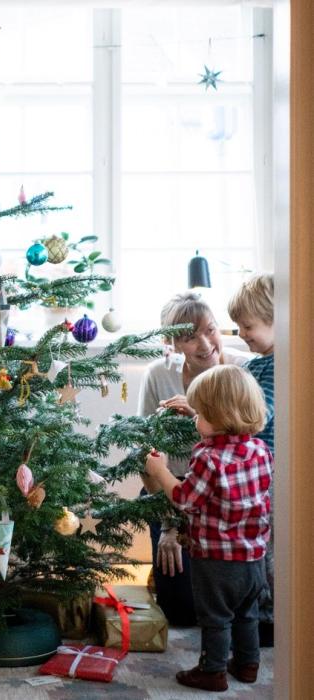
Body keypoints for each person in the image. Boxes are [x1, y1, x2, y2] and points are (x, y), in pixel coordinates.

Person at [144, 364, 272, 692]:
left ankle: (212, 670)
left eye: (199, 414)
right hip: (254, 557)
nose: (195, 419)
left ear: (216, 415)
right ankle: (247, 665)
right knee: (247, 613)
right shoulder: (260, 451)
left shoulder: (208, 458)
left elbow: (185, 499)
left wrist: (160, 471)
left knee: (215, 618)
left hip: (217, 561)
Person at [137, 293, 251, 626]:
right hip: (173, 493)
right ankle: (166, 573)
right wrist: (170, 526)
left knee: (225, 607)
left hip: (225, 501)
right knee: (182, 614)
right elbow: (145, 453)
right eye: (189, 337)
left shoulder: (243, 370)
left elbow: (251, 447)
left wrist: (197, 415)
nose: (205, 344)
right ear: (172, 343)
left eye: (211, 330)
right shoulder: (158, 375)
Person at [228, 273, 275, 647]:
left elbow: (262, 415)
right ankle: (257, 613)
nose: (242, 333)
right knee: (255, 549)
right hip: (251, 475)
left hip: (271, 476)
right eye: (238, 327)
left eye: (248, 326)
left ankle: (272, 618)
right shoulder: (254, 366)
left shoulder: (281, 366)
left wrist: (217, 415)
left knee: (270, 552)